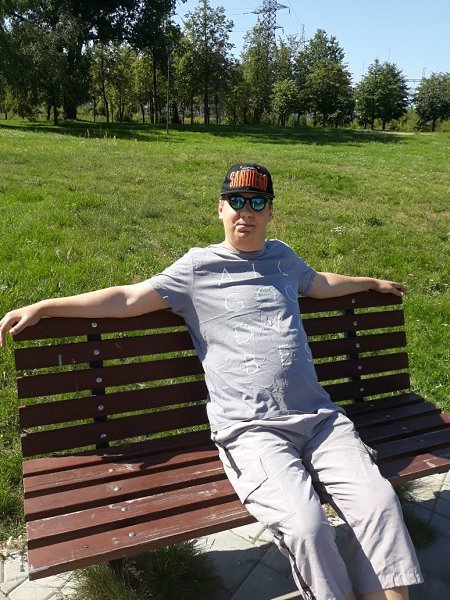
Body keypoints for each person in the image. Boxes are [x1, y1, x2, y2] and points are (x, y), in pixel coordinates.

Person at [0, 164, 423, 600]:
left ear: (271, 212)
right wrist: (46, 306)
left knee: (379, 503)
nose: (246, 211)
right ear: (220, 208)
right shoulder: (196, 268)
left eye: (257, 202)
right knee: (306, 526)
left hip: (320, 420)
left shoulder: (283, 258)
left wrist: (371, 282)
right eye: (236, 201)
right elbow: (127, 297)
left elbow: (319, 283)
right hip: (252, 430)